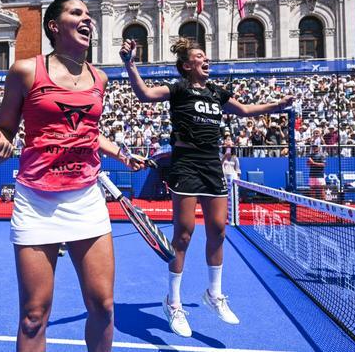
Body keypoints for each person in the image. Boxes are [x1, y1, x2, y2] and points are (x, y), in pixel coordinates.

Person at [0, 0, 142, 352]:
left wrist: (118, 150)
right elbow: (3, 129)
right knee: (34, 315)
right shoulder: (25, 70)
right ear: (54, 26)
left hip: (86, 198)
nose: (87, 19)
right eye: (76, 13)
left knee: (103, 306)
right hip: (36, 201)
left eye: (88, 14)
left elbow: (84, 130)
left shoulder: (99, 78)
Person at [120, 37, 293, 337]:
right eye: (200, 56)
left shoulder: (216, 92)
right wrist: (129, 63)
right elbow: (145, 94)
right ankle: (172, 302)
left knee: (218, 230)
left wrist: (278, 104)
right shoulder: (178, 89)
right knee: (183, 234)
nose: (206, 59)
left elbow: (246, 110)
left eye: (205, 55)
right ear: (187, 65)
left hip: (212, 165)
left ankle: (214, 294)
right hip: (186, 164)